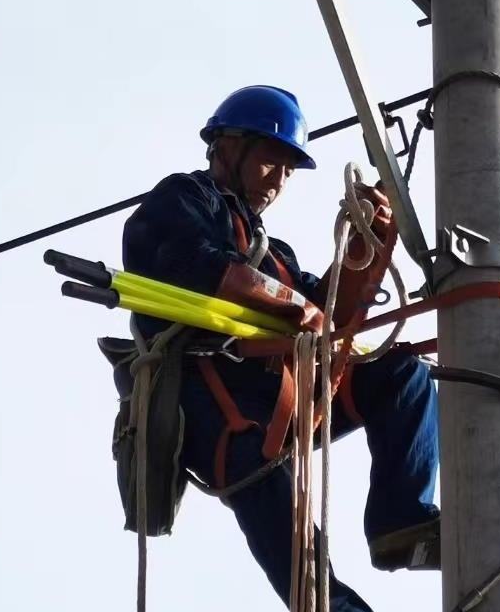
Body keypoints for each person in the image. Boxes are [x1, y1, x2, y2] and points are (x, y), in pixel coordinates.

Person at [121, 85, 439, 611]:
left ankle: (400, 521)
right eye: (273, 159)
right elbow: (191, 264)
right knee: (282, 522)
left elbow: (327, 312)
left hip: (285, 394)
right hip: (216, 404)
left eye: (290, 168)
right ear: (227, 145)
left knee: (402, 373)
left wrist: (365, 249)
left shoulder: (275, 253)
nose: (280, 179)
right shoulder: (185, 199)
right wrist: (293, 306)